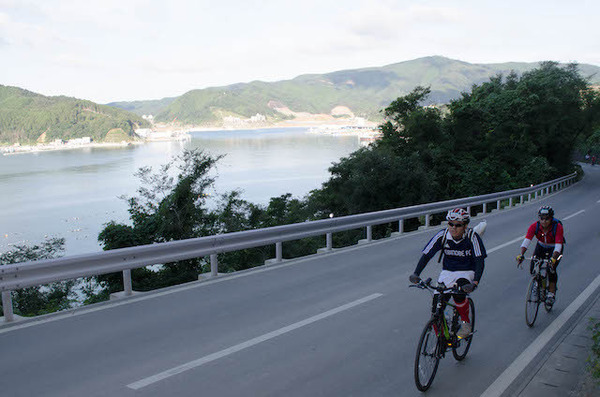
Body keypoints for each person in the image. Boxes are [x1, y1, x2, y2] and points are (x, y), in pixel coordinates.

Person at [409, 208, 487, 338]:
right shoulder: (443, 235)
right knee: (436, 308)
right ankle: (441, 341)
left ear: (465, 226)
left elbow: (480, 261)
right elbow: (427, 255)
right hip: (448, 272)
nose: (453, 228)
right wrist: (416, 273)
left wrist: (475, 282)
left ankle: (465, 323)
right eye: (450, 224)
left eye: (458, 225)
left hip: (467, 271)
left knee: (458, 294)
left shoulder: (472, 237)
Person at [516, 205, 564, 306]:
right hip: (541, 246)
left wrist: (553, 258)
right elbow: (526, 241)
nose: (544, 221)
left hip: (554, 248)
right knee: (533, 265)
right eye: (541, 218)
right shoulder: (535, 226)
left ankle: (551, 293)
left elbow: (559, 246)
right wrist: (521, 254)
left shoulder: (557, 227)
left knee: (551, 269)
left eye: (547, 219)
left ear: (551, 218)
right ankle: (538, 283)